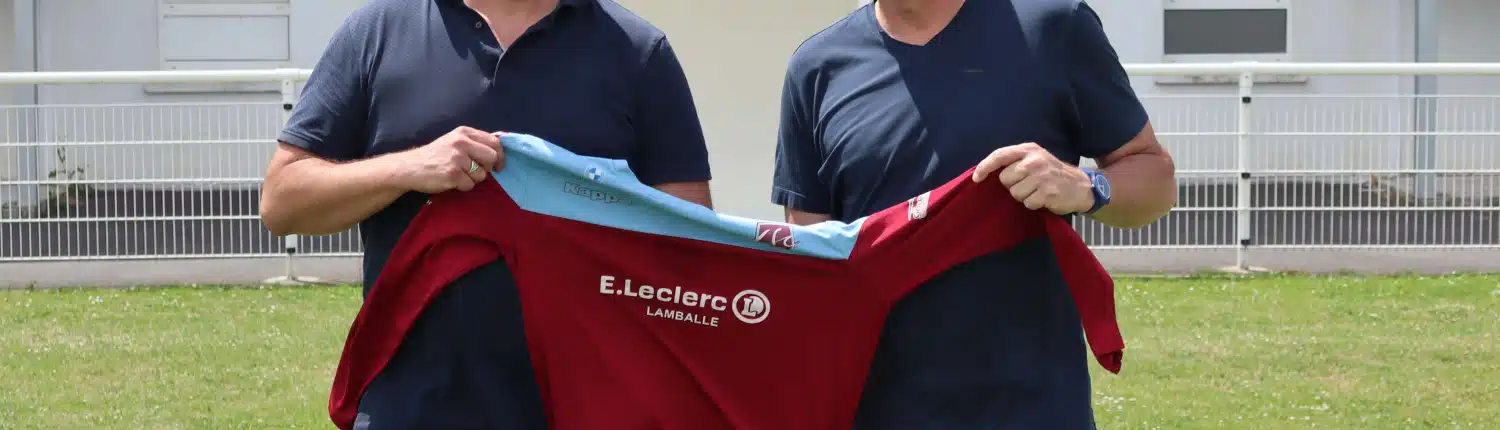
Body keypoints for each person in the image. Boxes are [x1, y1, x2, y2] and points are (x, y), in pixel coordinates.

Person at [258, 0, 713, 428]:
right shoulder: (378, 31)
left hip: (585, 406)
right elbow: (282, 203)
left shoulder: (637, 51)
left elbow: (695, 254)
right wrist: (408, 168)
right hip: (409, 407)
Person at [772, 0, 1176, 428]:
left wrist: (1086, 187)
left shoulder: (1054, 26)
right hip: (877, 412)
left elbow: (1156, 179)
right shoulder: (816, 66)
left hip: (1032, 411)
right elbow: (811, 261)